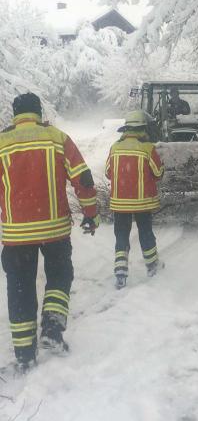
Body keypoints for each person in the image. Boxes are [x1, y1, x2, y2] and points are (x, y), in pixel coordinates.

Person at [0, 92, 99, 371]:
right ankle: (53, 331)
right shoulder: (57, 138)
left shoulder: (2, 142)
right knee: (59, 276)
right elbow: (83, 178)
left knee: (19, 289)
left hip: (16, 234)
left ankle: (24, 355)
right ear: (39, 113)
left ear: (15, 115)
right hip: (54, 228)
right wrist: (90, 214)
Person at [105, 110, 165, 289]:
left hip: (120, 203)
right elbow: (158, 173)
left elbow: (108, 173)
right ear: (142, 128)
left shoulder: (115, 147)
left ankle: (120, 272)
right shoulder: (147, 148)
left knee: (121, 236)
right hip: (142, 203)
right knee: (145, 233)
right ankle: (152, 265)